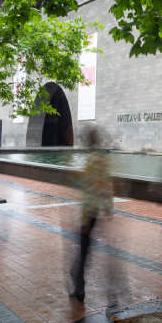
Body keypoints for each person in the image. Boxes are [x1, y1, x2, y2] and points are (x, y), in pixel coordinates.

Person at [69, 128, 113, 302]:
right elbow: (107, 184)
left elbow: (90, 188)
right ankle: (78, 280)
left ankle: (79, 286)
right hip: (95, 209)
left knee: (84, 247)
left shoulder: (93, 159)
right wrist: (108, 207)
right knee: (85, 247)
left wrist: (86, 218)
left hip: (89, 210)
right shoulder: (103, 158)